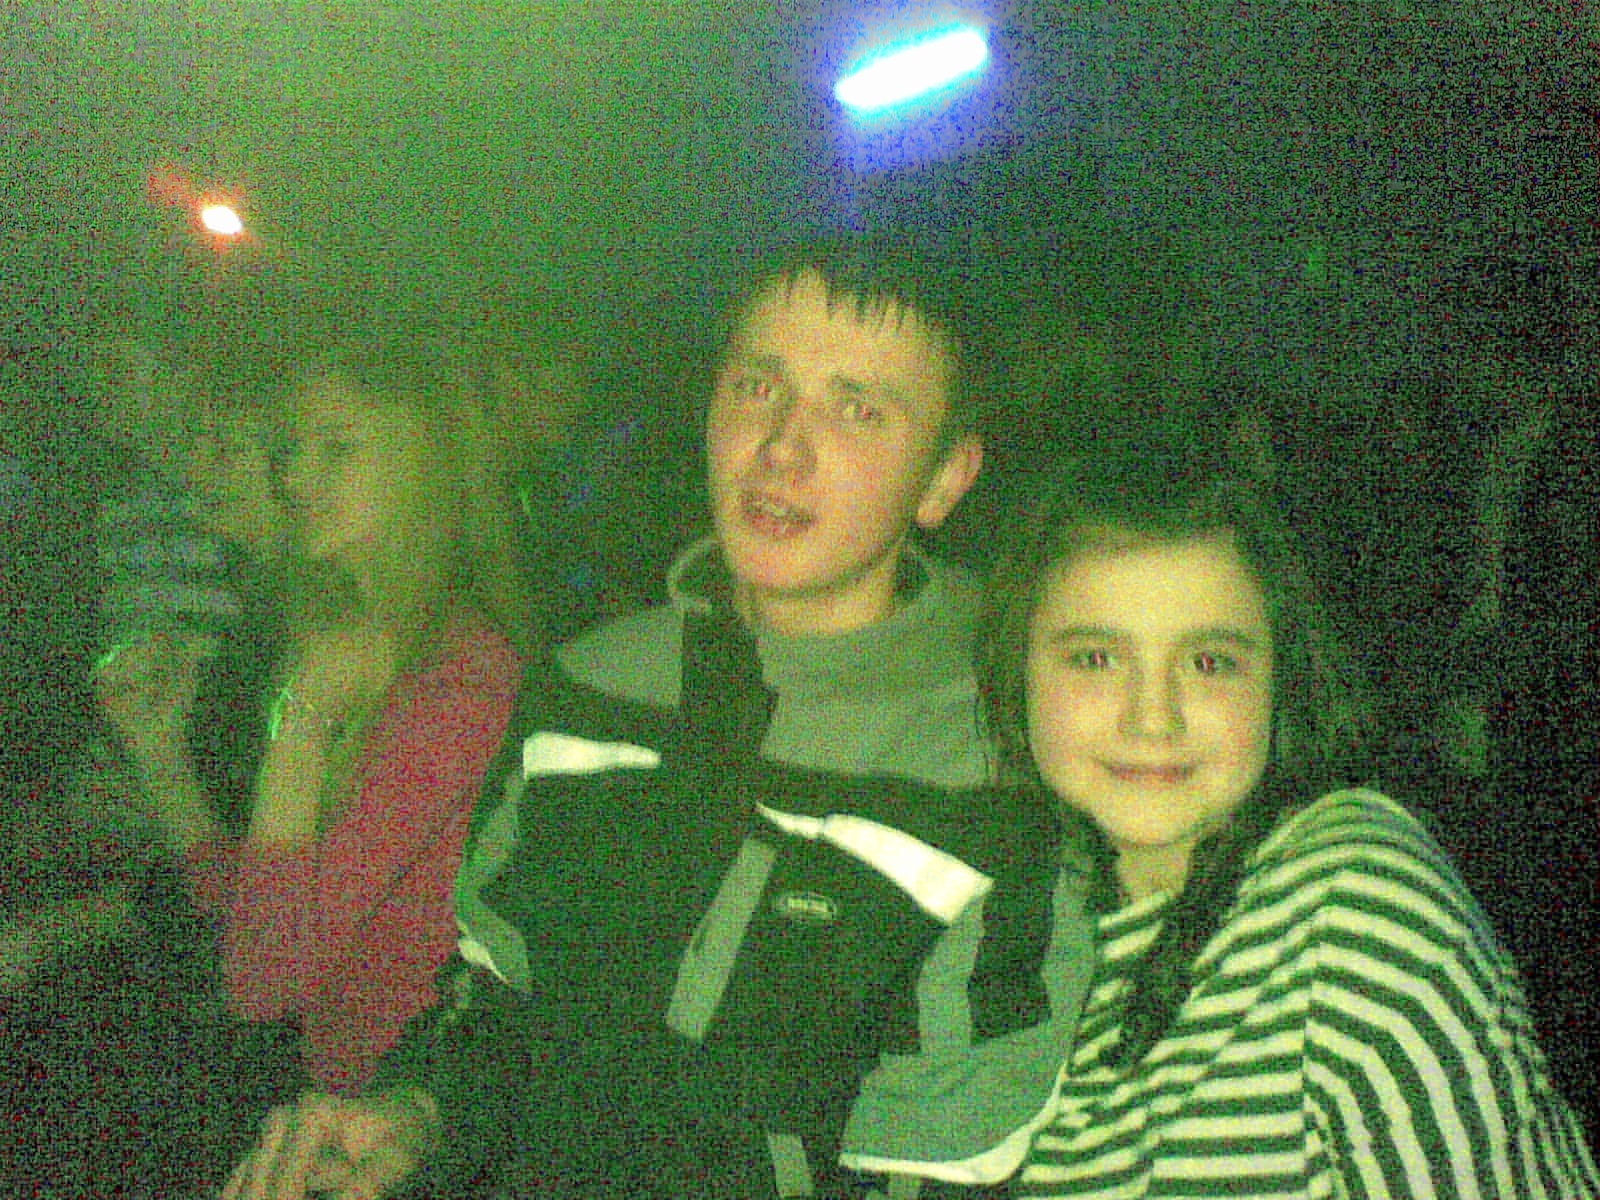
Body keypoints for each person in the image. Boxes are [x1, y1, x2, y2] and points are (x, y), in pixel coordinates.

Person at [221, 235, 1097, 1200]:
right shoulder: (588, 686)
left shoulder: (1003, 771)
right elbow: (496, 1004)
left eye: (857, 409)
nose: (782, 447)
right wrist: (418, 1115)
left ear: (944, 478)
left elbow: (946, 1166)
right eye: (759, 386)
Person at [975, 437, 1599, 1197]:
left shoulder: (1356, 912)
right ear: (1018, 669)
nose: (1153, 718)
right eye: (1096, 658)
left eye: (1209, 662)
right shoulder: (996, 922)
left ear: (1281, 679)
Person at [99, 338, 529, 1109]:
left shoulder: (462, 681)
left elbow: (263, 980)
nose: (296, 477)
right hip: (308, 1085)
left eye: (337, 449)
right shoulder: (343, 634)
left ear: (425, 464)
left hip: (377, 1121)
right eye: (294, 449)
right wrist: (160, 754)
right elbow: (253, 916)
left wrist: (304, 722)